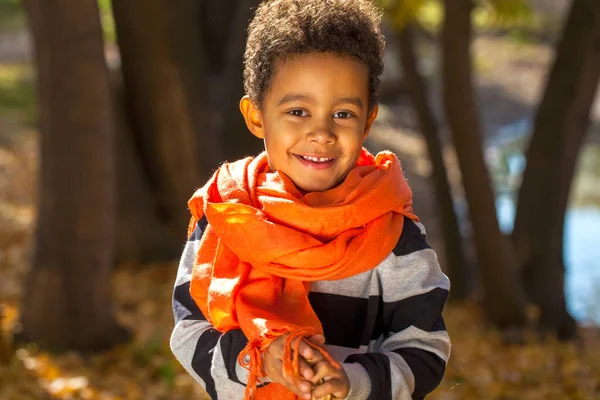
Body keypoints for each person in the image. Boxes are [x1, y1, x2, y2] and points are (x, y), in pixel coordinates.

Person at [169, 0, 451, 399]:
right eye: (298, 111)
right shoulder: (226, 214)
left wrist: (352, 382)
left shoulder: (391, 231)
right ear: (256, 116)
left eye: (343, 115)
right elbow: (189, 332)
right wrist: (261, 361)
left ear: (368, 120)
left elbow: (425, 348)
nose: (322, 133)